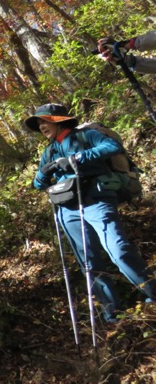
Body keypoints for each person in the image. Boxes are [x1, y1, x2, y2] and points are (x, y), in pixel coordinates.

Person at [26, 103, 156, 322]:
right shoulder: (49, 151)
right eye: (38, 123)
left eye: (44, 120)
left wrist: (76, 159)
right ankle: (113, 315)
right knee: (89, 262)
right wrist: (44, 172)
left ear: (58, 120)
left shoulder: (86, 135)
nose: (41, 126)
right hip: (67, 209)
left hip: (97, 200)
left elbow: (112, 146)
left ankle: (152, 294)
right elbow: (38, 184)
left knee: (119, 249)